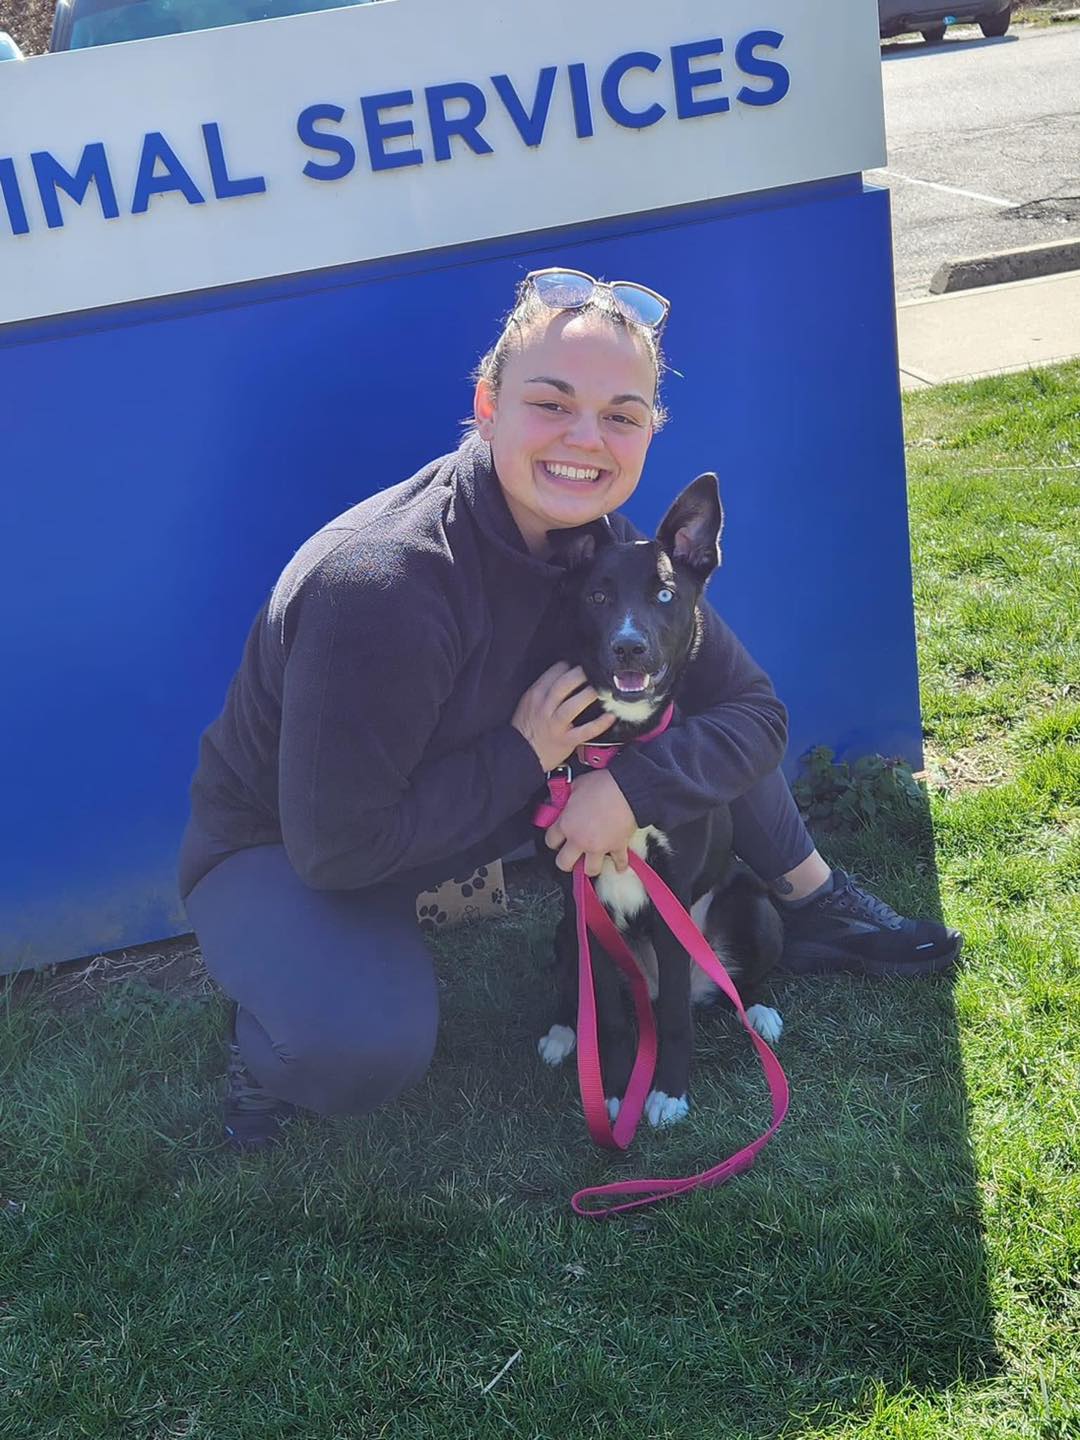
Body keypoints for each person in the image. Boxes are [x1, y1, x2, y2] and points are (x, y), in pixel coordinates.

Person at [178, 267, 961, 1150]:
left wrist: (631, 791)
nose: (585, 439)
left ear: (647, 433)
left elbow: (751, 711)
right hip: (287, 846)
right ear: (487, 403)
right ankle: (275, 1032)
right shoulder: (384, 585)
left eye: (621, 414)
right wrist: (526, 754)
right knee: (364, 1046)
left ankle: (812, 905)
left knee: (685, 698)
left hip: (456, 814)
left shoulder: (611, 555)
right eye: (551, 402)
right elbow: (336, 846)